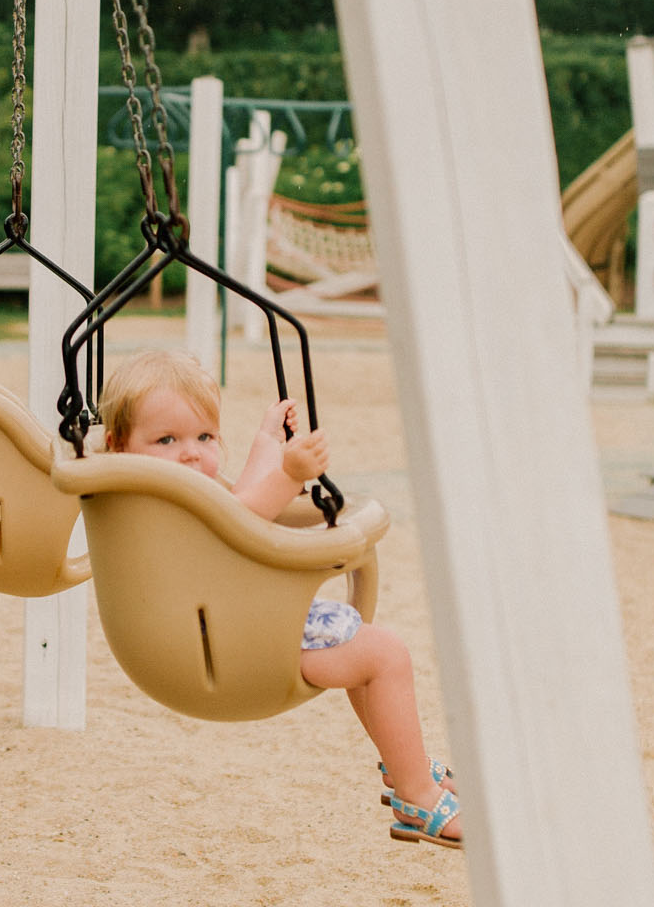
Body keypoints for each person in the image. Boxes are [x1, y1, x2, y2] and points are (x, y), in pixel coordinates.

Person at [97, 349, 461, 847]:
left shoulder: (158, 487)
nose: (191, 453)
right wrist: (290, 475)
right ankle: (417, 794)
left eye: (205, 437)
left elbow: (240, 498)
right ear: (118, 445)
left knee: (369, 656)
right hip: (232, 646)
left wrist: (267, 442)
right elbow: (243, 518)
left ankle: (407, 768)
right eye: (167, 439)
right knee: (385, 655)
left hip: (232, 625)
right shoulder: (159, 497)